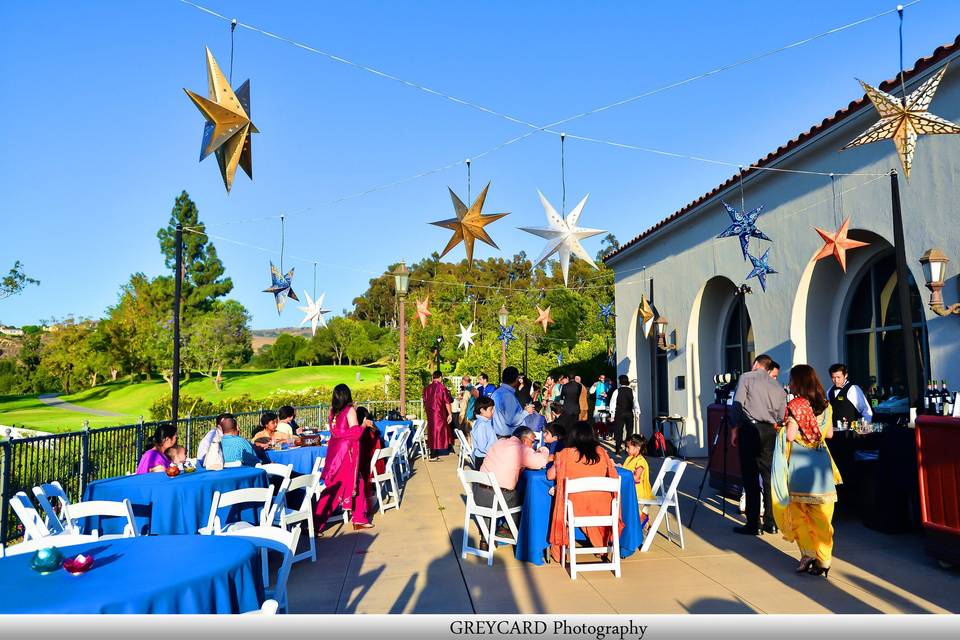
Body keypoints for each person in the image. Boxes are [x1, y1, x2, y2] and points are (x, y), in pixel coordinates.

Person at [772, 364, 841, 577]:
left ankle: (808, 553)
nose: (790, 384)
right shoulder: (827, 405)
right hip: (821, 465)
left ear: (799, 383)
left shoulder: (797, 405)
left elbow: (791, 436)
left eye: (792, 380)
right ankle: (824, 560)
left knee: (798, 513)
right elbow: (829, 434)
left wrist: (782, 428)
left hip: (801, 465)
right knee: (822, 516)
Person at [547, 422, 622, 563]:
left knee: (581, 502)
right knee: (591, 503)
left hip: (576, 508)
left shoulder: (565, 454)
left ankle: (594, 548)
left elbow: (550, 476)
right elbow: (613, 473)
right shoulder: (601, 452)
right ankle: (601, 547)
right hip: (605, 507)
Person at [731, 354, 787, 536]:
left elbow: (737, 404)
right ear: (769, 368)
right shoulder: (778, 387)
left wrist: (734, 427)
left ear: (756, 364)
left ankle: (753, 523)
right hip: (770, 430)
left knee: (750, 477)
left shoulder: (747, 377)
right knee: (769, 477)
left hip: (750, 429)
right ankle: (771, 522)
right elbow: (781, 415)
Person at [314, 384, 375, 532]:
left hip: (335, 450)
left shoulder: (332, 412)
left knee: (356, 482)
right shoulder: (349, 410)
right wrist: (364, 424)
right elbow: (355, 433)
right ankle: (315, 523)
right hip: (346, 452)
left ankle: (359, 517)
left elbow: (337, 432)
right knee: (338, 487)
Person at [477, 426, 549, 543]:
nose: (532, 446)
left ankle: (487, 535)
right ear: (525, 440)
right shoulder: (520, 449)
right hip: (497, 498)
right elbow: (541, 462)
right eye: (532, 442)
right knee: (527, 498)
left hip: (478, 494)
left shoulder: (499, 442)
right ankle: (517, 533)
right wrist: (543, 449)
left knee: (513, 492)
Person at [621, 434, 653, 531]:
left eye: (628, 447)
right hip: (631, 488)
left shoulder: (640, 461)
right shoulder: (630, 458)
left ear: (637, 448)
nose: (626, 449)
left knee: (621, 497)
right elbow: (625, 470)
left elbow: (636, 477)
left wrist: (625, 474)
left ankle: (642, 517)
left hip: (638, 490)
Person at [423, 370, 453, 460]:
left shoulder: (427, 388)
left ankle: (433, 451)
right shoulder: (442, 387)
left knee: (432, 431)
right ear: (440, 377)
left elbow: (424, 400)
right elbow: (447, 402)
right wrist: (450, 414)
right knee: (439, 431)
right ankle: (435, 451)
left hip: (430, 412)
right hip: (440, 412)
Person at [491, 366, 527, 438]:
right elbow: (512, 420)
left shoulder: (497, 392)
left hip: (498, 435)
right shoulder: (507, 395)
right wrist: (526, 412)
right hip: (507, 437)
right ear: (516, 379)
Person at [608, 375, 640, 455]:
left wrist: (612, 415)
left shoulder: (616, 391)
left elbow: (612, 404)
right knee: (629, 431)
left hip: (619, 413)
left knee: (619, 431)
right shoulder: (632, 391)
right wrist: (637, 413)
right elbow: (635, 403)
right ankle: (628, 448)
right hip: (629, 413)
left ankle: (618, 449)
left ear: (620, 381)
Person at [470, 396, 497, 470]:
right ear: (482, 410)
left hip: (487, 456)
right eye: (491, 409)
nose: (493, 412)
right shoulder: (481, 425)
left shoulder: (485, 423)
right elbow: (482, 446)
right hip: (484, 458)